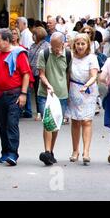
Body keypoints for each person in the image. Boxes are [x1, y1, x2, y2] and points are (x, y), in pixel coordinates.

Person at [0, 28, 34, 166]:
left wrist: (23, 94)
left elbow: (26, 74)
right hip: (0, 95)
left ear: (7, 40)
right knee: (2, 125)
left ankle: (12, 153)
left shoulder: (18, 54)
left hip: (14, 94)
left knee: (12, 124)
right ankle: (4, 152)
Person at [37, 32, 71, 165]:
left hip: (61, 95)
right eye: (52, 45)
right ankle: (47, 151)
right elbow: (41, 74)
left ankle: (50, 151)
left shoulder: (68, 55)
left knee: (56, 125)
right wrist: (48, 85)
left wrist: (68, 93)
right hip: (45, 94)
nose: (54, 48)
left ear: (63, 44)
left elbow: (68, 75)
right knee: (48, 122)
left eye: (57, 46)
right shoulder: (44, 54)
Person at [67, 33, 99, 166]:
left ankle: (86, 152)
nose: (80, 46)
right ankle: (75, 151)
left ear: (88, 45)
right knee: (75, 121)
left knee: (86, 121)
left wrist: (86, 85)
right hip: (74, 90)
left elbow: (94, 75)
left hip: (88, 91)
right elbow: (67, 74)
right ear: (74, 44)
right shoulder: (70, 57)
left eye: (83, 44)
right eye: (78, 44)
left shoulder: (92, 58)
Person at [28, 27, 50, 120]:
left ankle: (43, 112)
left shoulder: (46, 45)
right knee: (37, 92)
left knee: (42, 92)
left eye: (34, 34)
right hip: (33, 72)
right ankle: (39, 112)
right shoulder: (32, 45)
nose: (32, 36)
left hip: (42, 71)